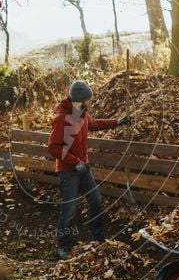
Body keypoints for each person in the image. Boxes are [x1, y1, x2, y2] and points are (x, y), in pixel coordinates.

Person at [47, 80, 130, 259]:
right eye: (86, 99)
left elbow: (94, 124)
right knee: (69, 209)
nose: (88, 102)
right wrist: (73, 161)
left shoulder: (81, 112)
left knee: (95, 200)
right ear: (77, 99)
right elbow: (53, 147)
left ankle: (98, 235)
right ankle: (63, 244)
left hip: (83, 167)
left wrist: (117, 122)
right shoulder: (62, 118)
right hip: (69, 170)